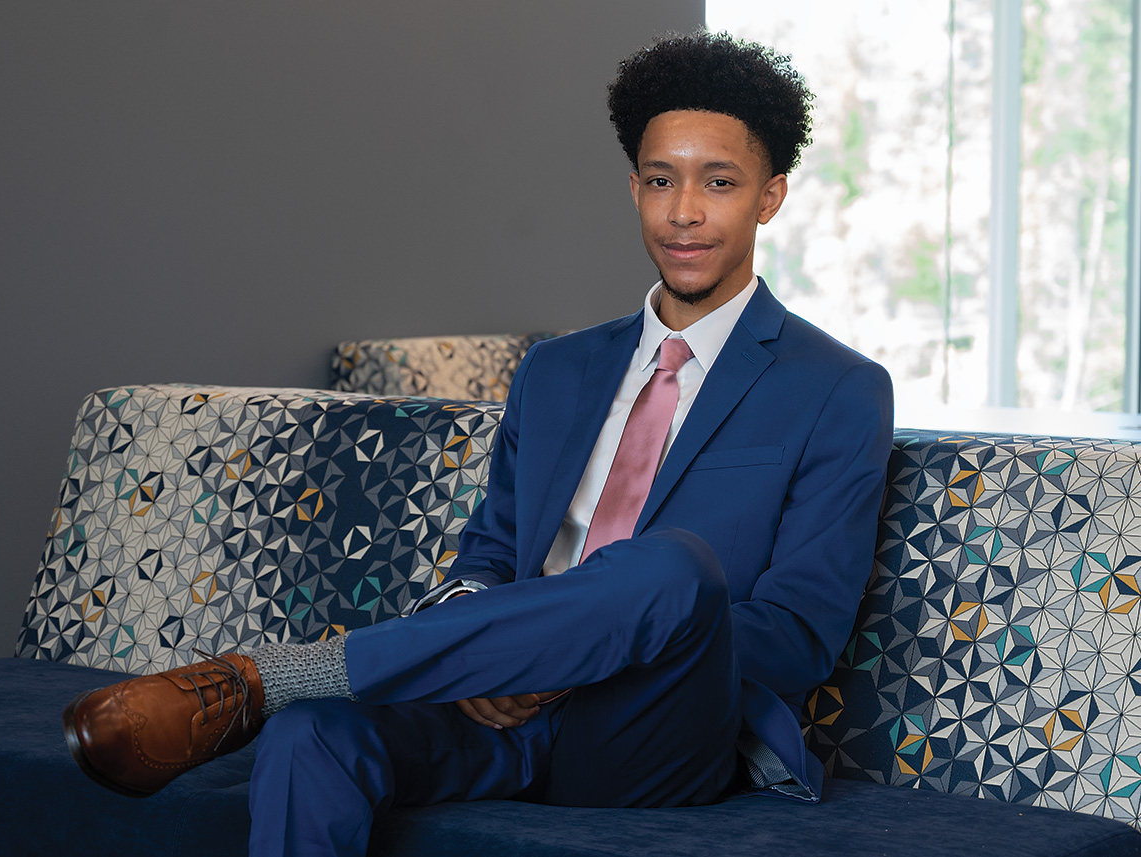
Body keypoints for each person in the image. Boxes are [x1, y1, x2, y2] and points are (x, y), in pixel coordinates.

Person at [62, 30, 894, 857]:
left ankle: (268, 676)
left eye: (719, 182)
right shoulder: (557, 369)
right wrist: (488, 640)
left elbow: (799, 631)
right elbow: (490, 552)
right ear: (633, 188)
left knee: (677, 566)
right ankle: (300, 699)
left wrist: (568, 650)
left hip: (655, 727)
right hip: (497, 703)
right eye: (658, 180)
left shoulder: (837, 388)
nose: (683, 211)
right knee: (310, 736)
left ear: (770, 196)